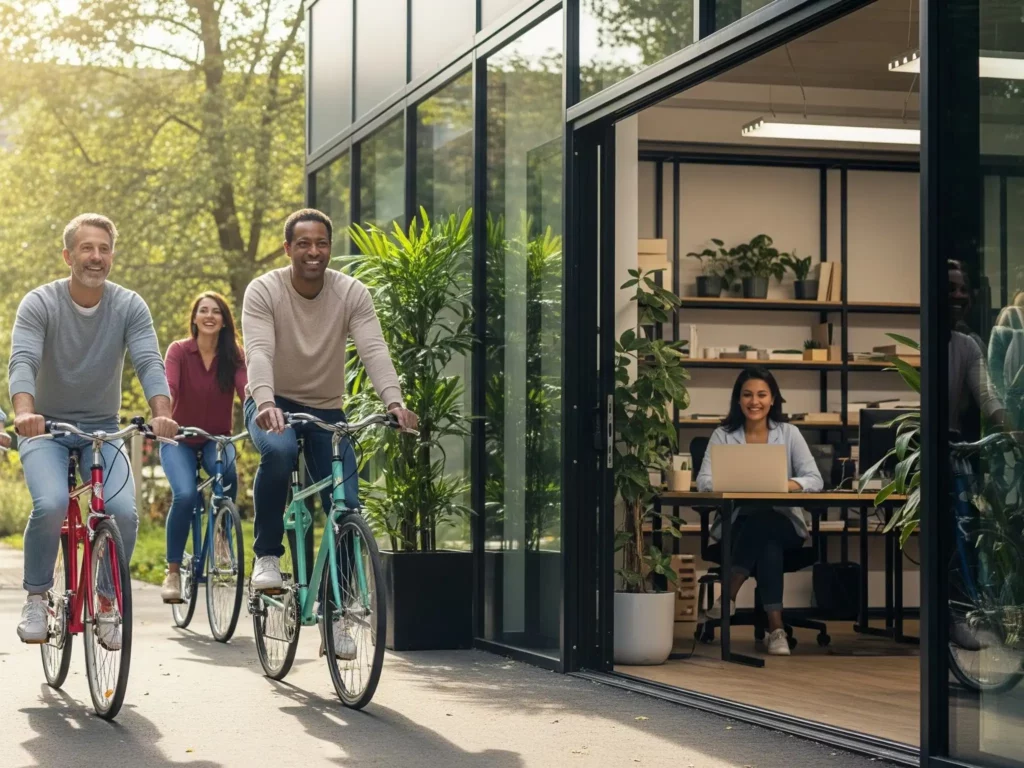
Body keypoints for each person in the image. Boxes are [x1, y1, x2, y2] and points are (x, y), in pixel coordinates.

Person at [241, 208, 418, 659]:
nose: (313, 251)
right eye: (303, 243)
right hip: (271, 402)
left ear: (329, 247)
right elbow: (259, 350)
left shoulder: (350, 292)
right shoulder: (264, 290)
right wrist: (264, 402)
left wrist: (393, 401)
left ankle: (338, 615)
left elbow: (373, 348)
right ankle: (266, 556)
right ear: (288, 248)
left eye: (321, 243)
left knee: (346, 504)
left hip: (325, 408)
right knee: (279, 453)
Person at [9, 213, 178, 646]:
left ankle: (106, 600)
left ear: (112, 257)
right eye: (87, 248)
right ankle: (36, 595)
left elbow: (148, 362)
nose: (96, 257)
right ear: (68, 255)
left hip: (101, 430)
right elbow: (23, 361)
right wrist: (25, 412)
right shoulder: (40, 303)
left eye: (104, 249)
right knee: (50, 503)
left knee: (121, 512)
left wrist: (162, 413)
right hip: (45, 428)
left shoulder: (129, 306)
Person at [695, 367, 823, 657]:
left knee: (766, 521)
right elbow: (704, 482)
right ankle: (776, 629)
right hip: (737, 523)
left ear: (773, 399)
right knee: (766, 542)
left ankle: (728, 594)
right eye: (748, 395)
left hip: (785, 524)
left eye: (762, 394)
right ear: (738, 400)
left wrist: (786, 484)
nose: (755, 401)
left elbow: (815, 479)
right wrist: (738, 483)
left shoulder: (789, 434)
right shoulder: (723, 435)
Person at [159, 292, 248, 603]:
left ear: (224, 321)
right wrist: (163, 416)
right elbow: (168, 387)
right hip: (179, 438)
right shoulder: (179, 352)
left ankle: (220, 538)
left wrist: (259, 410)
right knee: (184, 495)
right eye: (203, 311)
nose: (210, 316)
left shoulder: (235, 355)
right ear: (194, 318)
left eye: (216, 312)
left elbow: (245, 390)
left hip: (216, 439)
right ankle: (172, 572)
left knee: (228, 477)